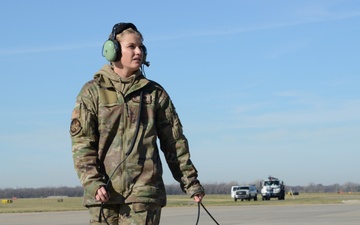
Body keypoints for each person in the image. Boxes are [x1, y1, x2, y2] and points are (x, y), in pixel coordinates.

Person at [70, 22, 205, 225]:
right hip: (103, 196)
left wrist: (190, 183)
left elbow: (174, 143)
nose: (138, 52)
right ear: (113, 51)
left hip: (143, 197)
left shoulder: (155, 94)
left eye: (141, 47)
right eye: (131, 46)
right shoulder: (92, 92)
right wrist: (92, 182)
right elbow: (82, 144)